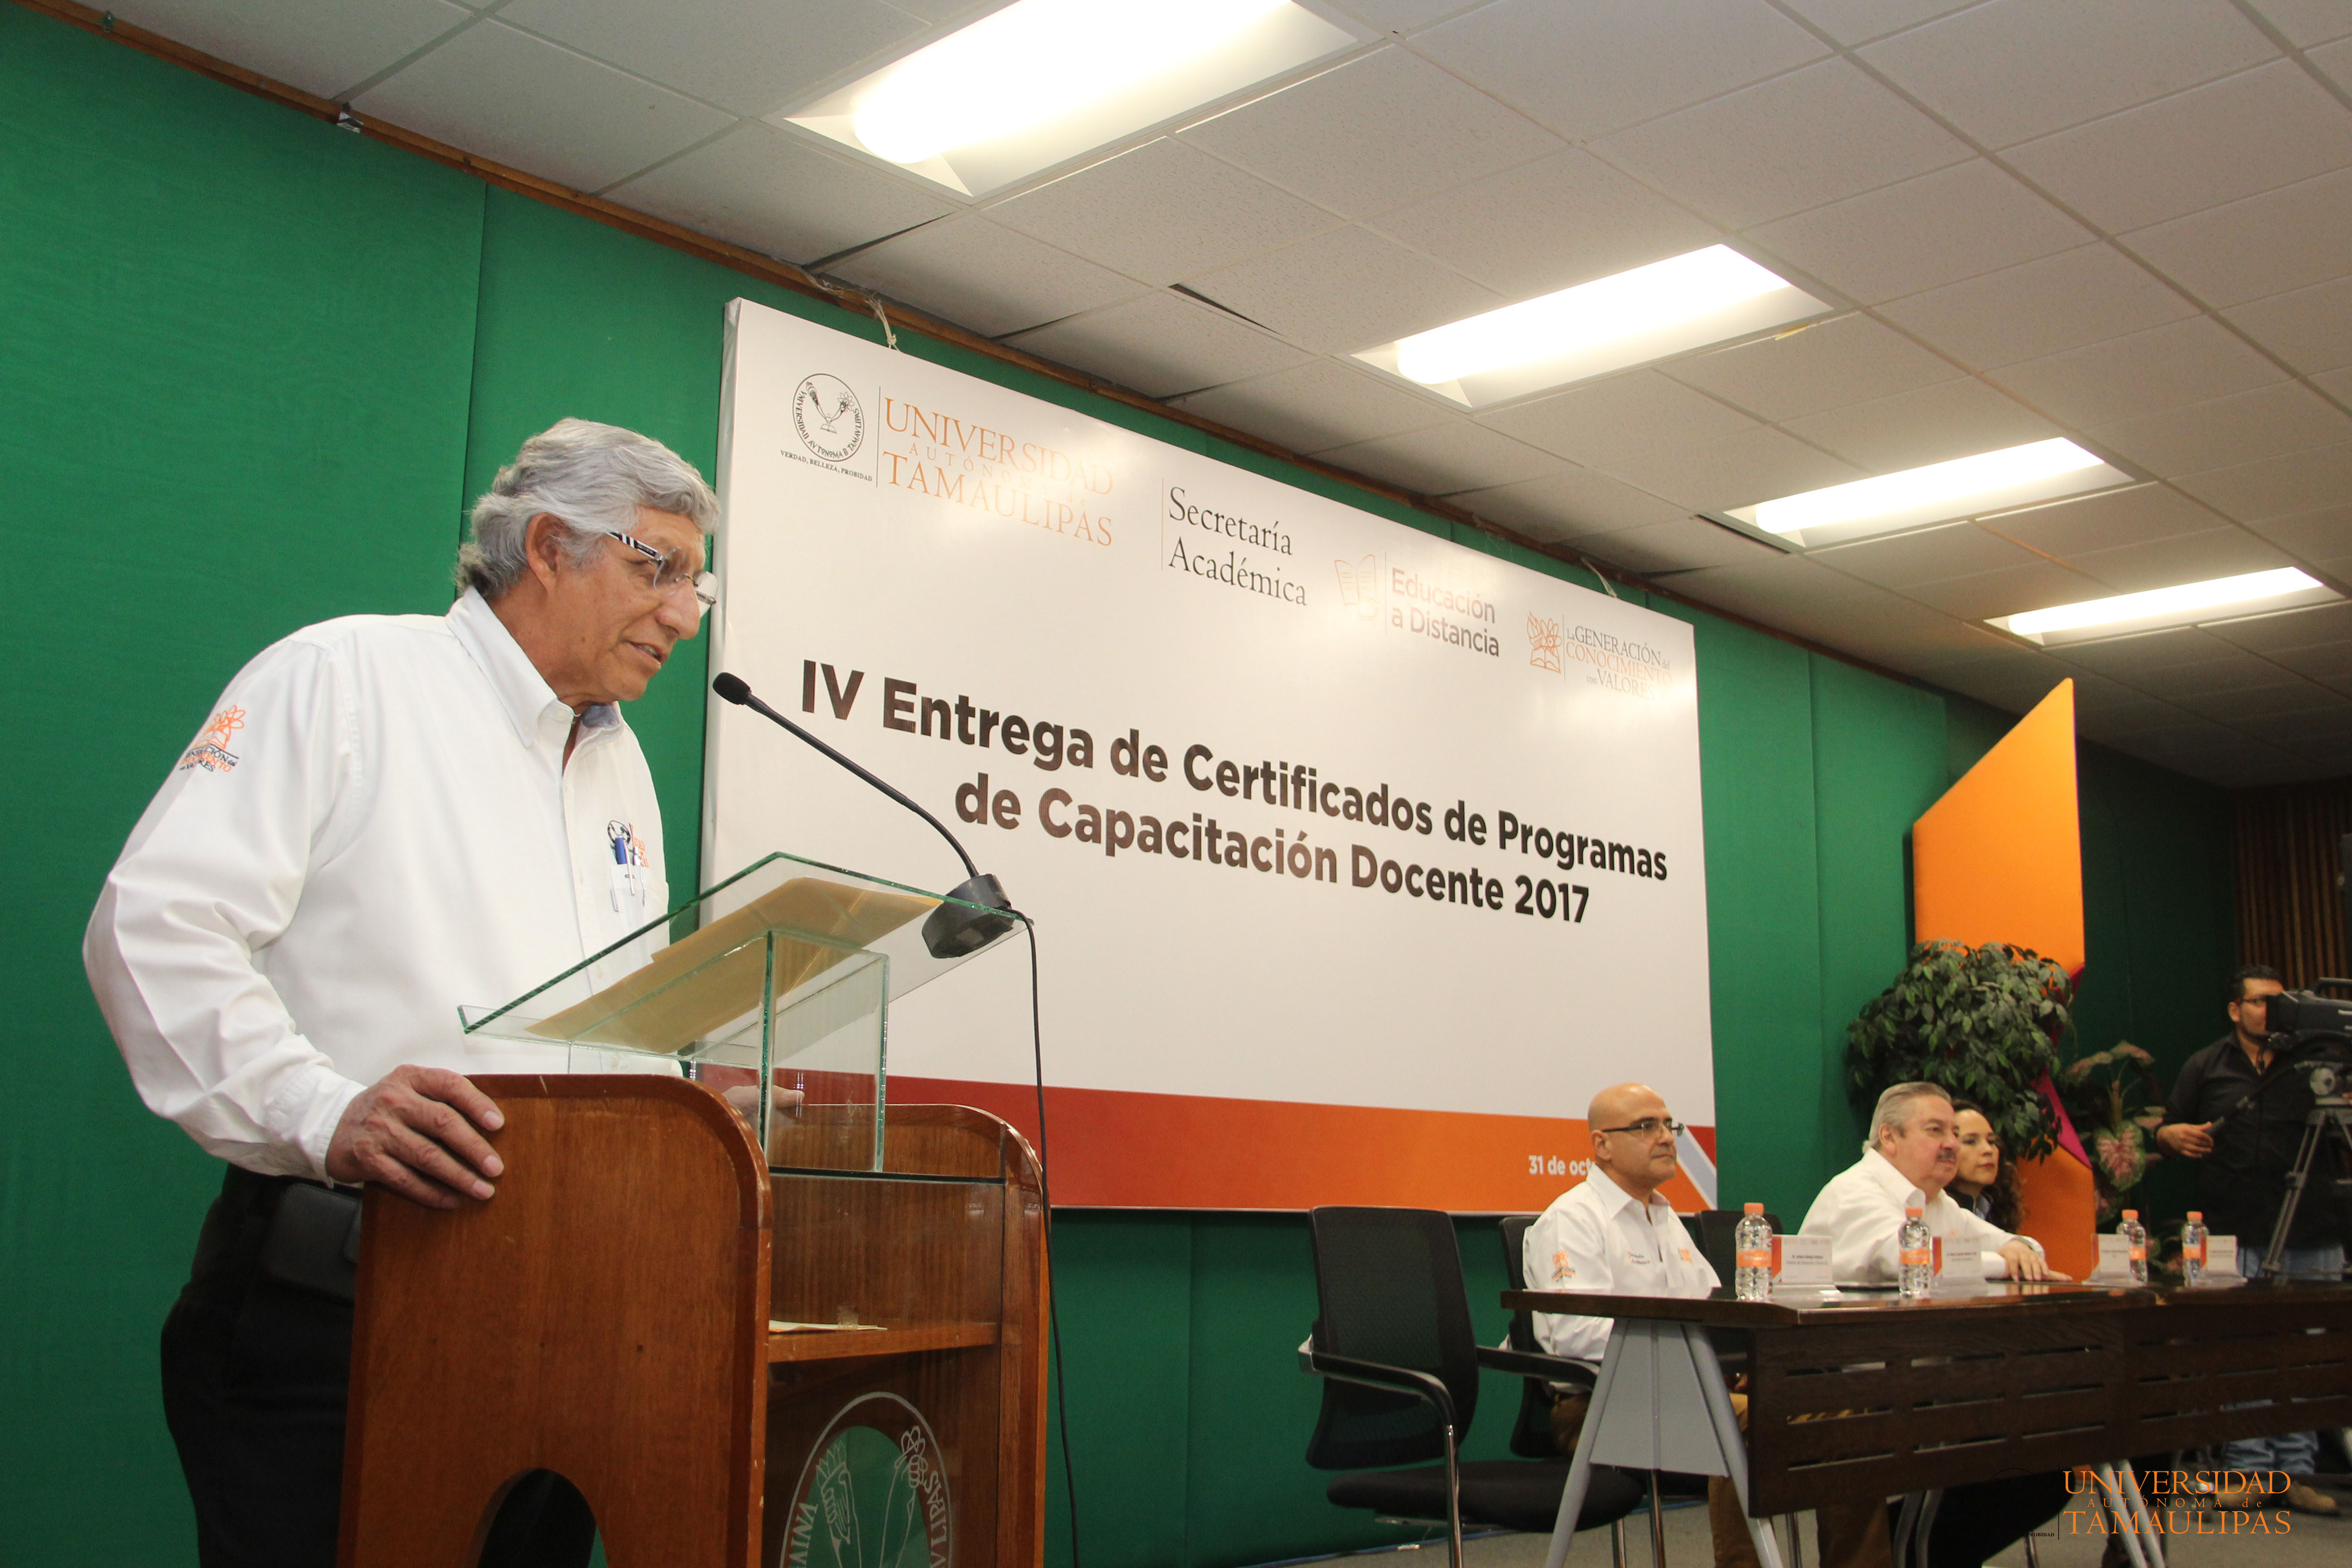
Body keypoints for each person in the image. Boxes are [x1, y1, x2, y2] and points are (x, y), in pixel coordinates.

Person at [84, 418, 720, 1568]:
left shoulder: (619, 762)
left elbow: (611, 1029)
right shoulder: (345, 677)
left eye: (695, 581)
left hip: (566, 1331)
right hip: (338, 1316)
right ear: (545, 546)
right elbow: (152, 927)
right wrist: (323, 1109)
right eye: (655, 566)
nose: (683, 611)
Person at [1525, 1084, 1887, 1568]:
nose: (1666, 1138)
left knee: (1849, 1414)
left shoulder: (1664, 1217)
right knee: (1746, 1424)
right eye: (1645, 1127)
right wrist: (1693, 1360)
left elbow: (1716, 1309)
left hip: (1694, 1390)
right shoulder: (1572, 1220)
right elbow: (1574, 1336)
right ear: (1602, 1146)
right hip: (1603, 1404)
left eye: (1669, 1125)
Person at [1799, 1083, 2068, 1568]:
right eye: (1935, 1130)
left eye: (1953, 1132)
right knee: (2023, 1448)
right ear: (1889, 1137)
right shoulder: (1855, 1193)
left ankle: (1916, 1553)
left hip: (1925, 1383)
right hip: (1843, 1394)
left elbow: (2022, 1246)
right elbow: (1905, 1259)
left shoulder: (1937, 1203)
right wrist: (2005, 1262)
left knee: (2045, 1459)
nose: (1950, 1143)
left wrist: (2018, 1252)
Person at [2156, 965, 2347, 1516]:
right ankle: (2247, 1474)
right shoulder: (2206, 1065)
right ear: (2236, 1010)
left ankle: (2297, 1473)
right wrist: (2171, 1136)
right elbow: (2168, 1128)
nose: (2273, 1011)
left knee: (2307, 1357)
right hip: (2233, 1228)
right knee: (2242, 1357)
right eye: (2261, 1002)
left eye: (2281, 1002)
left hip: (2313, 1228)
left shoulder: (2319, 1060)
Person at [1946, 1100, 2021, 1232]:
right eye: (1971, 1141)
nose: (1988, 1150)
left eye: (1992, 1141)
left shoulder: (1997, 1209)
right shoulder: (1933, 1212)